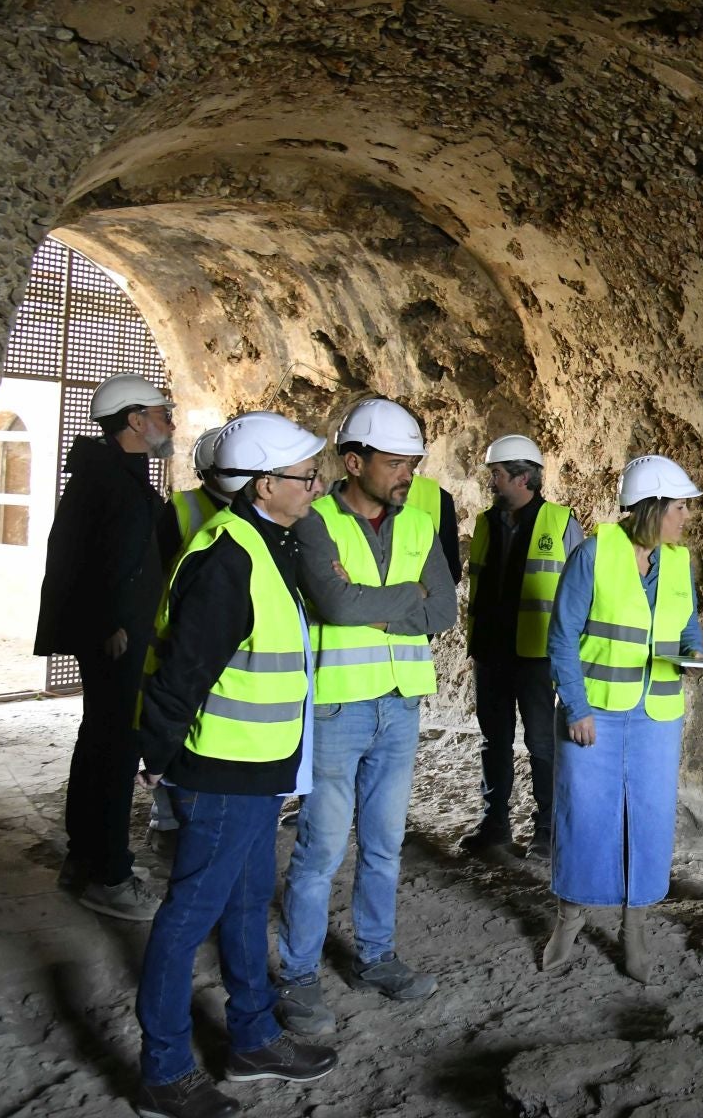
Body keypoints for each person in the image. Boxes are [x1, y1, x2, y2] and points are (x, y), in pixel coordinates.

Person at [132, 411, 338, 1118]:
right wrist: (156, 756)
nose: (315, 485)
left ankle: (252, 1038)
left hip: (257, 766)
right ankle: (163, 1073)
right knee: (186, 918)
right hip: (219, 770)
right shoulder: (229, 557)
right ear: (263, 484)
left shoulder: (267, 540)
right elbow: (183, 670)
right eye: (304, 477)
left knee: (249, 903)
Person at [274, 398, 456, 1034]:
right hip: (338, 705)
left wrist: (371, 601)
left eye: (413, 461)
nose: (407, 473)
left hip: (401, 704)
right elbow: (334, 603)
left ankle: (376, 957)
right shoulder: (314, 521)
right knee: (320, 848)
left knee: (383, 846)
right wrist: (404, 598)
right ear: (354, 462)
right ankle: (297, 975)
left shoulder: (419, 524)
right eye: (395, 462)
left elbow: (443, 614)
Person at [541, 455, 703, 983]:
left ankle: (634, 932)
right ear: (653, 507)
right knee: (583, 815)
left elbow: (689, 629)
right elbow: (562, 637)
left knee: (650, 820)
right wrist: (577, 706)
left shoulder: (678, 561)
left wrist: (698, 655)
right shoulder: (594, 553)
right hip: (595, 716)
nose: (685, 515)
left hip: (656, 716)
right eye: (679, 506)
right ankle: (569, 920)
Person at [35, 371, 174, 921]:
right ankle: (110, 875)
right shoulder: (106, 478)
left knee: (100, 743)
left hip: (122, 628)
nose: (168, 423)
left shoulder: (116, 472)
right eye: (161, 414)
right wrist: (106, 624)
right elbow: (82, 557)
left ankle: (85, 857)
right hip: (117, 636)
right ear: (135, 421)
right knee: (116, 749)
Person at [460, 435, 583, 863]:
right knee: (494, 740)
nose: (492, 482)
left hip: (537, 655)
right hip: (491, 652)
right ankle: (494, 825)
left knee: (541, 744)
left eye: (497, 474)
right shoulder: (485, 523)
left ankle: (548, 829)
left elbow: (580, 592)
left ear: (523, 477)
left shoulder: (561, 522)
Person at [148, 421, 230, 847]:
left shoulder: (261, 514)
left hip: (227, 646)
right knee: (174, 728)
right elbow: (154, 578)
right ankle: (167, 819)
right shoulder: (181, 510)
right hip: (180, 639)